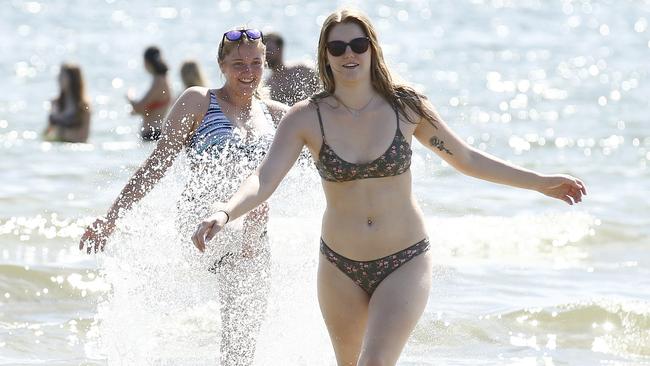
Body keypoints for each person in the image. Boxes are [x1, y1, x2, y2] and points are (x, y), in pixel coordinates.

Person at [192, 8, 588, 366]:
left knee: (375, 363)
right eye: (338, 47)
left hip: (405, 260)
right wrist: (225, 211)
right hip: (338, 267)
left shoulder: (405, 106)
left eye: (358, 44)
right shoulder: (306, 117)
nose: (349, 54)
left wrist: (539, 183)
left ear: (372, 49)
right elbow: (264, 179)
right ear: (325, 55)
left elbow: (465, 158)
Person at [80, 28, 288, 365]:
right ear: (221, 65)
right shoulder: (199, 101)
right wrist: (112, 217)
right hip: (201, 225)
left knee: (244, 337)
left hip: (252, 234)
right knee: (240, 274)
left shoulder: (275, 114)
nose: (248, 72)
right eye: (238, 64)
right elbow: (155, 166)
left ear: (265, 63)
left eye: (255, 63)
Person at [127, 46, 172, 141]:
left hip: (153, 133)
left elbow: (139, 107)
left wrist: (129, 97)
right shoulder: (163, 79)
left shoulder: (159, 81)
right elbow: (147, 108)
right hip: (155, 132)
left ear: (147, 62)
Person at [265, 32, 321, 106]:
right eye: (263, 52)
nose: (266, 55)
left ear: (280, 49)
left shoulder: (303, 70)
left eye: (269, 50)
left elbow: (324, 90)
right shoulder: (268, 85)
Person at [44, 63, 91, 143]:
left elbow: (84, 135)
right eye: (59, 75)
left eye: (63, 75)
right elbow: (47, 133)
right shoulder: (56, 103)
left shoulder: (83, 106)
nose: (59, 78)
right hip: (57, 148)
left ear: (73, 79)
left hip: (76, 148)